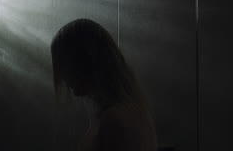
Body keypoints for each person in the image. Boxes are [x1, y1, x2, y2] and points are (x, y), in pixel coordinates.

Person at [51, 18, 157, 151]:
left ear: (83, 62)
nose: (63, 78)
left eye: (65, 65)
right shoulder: (127, 110)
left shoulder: (114, 120)